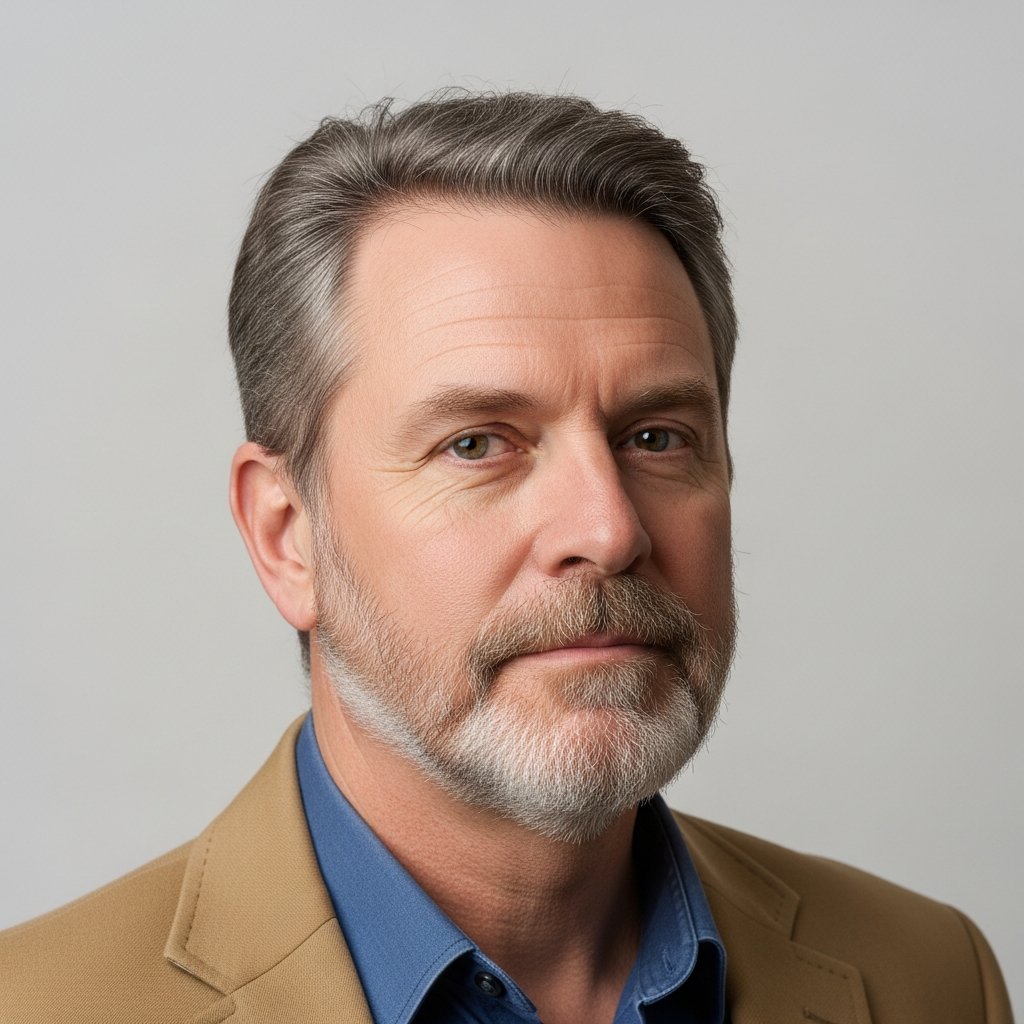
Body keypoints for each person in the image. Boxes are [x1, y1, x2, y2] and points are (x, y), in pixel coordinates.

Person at [0, 91, 1012, 1024]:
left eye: (656, 436)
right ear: (285, 533)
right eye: (478, 443)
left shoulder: (929, 977)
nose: (608, 530)